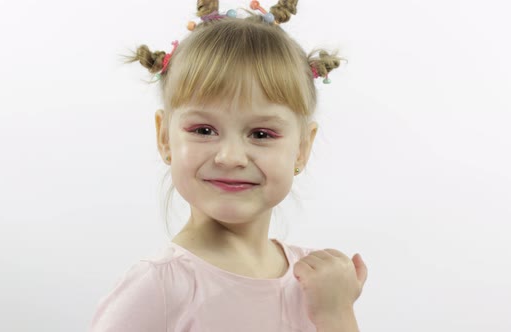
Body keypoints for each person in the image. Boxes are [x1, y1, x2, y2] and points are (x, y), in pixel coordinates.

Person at [90, 1, 368, 331]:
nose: (231, 156)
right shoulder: (162, 287)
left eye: (261, 133)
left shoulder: (316, 282)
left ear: (302, 149)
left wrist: (335, 314)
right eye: (203, 130)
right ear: (165, 138)